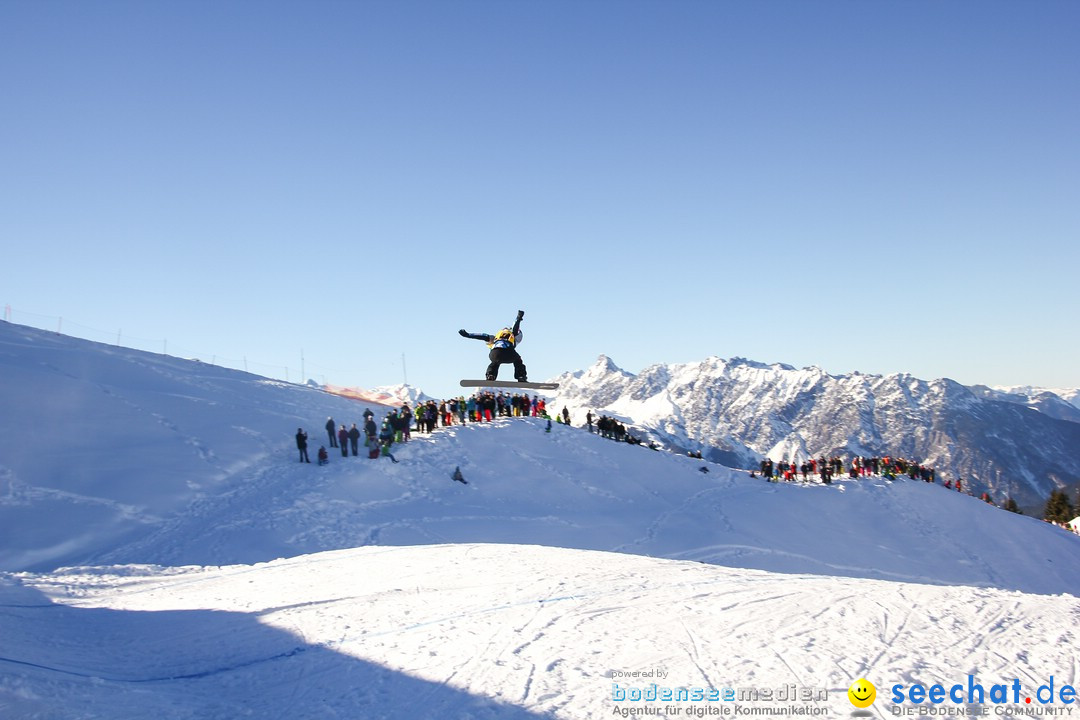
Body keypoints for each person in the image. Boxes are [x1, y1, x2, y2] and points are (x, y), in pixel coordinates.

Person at [459, 310, 527, 382]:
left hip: (495, 354)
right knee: (518, 360)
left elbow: (482, 336)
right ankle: (521, 376)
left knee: (495, 362)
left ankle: (490, 375)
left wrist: (468, 335)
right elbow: (515, 329)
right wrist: (518, 318)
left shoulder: (494, 338)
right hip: (509, 353)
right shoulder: (512, 335)